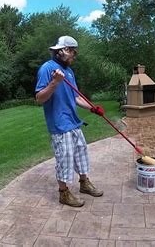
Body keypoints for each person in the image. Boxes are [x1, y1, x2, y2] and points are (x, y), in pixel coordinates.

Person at [35, 35, 104, 207]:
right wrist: (54, 83)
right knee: (64, 158)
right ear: (62, 51)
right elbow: (39, 98)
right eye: (73, 52)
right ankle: (63, 193)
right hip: (59, 124)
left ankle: (84, 184)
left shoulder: (69, 72)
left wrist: (92, 107)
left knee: (81, 153)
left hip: (73, 122)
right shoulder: (47, 68)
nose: (74, 56)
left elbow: (76, 97)